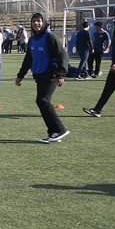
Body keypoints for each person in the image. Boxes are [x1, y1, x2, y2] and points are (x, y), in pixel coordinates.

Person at [14, 13, 69, 143]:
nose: (36, 24)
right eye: (34, 21)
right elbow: (28, 59)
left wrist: (60, 74)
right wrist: (20, 75)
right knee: (42, 101)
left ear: (44, 22)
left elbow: (62, 55)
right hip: (39, 75)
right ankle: (53, 133)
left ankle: (60, 129)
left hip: (51, 74)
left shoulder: (50, 37)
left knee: (43, 100)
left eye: (39, 21)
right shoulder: (32, 39)